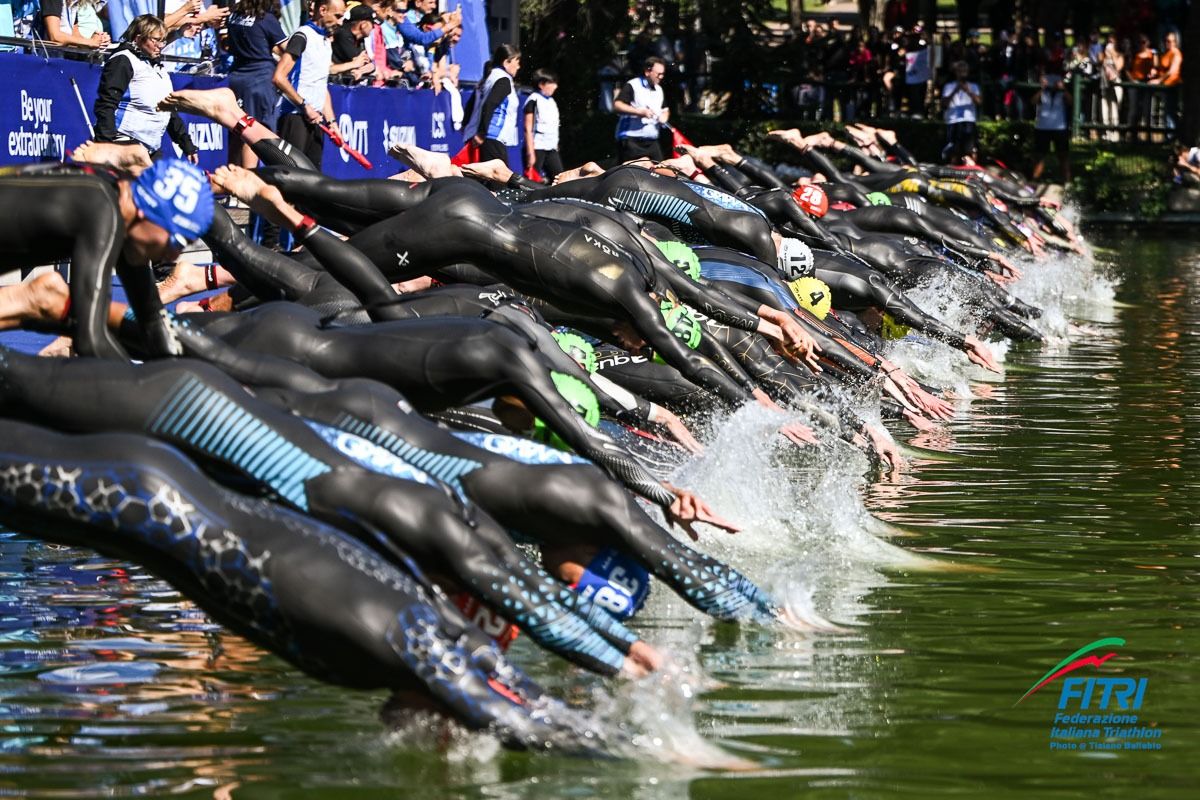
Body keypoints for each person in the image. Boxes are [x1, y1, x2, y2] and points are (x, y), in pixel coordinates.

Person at [0, 420, 604, 754]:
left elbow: (501, 682)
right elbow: (502, 711)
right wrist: (632, 747)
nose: (436, 734)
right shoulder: (410, 642)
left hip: (151, 497)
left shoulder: (420, 617)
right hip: (145, 504)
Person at [0, 157, 213, 359]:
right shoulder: (104, 212)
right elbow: (90, 340)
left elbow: (153, 320)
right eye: (177, 242)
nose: (174, 256)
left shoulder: (117, 199)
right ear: (147, 213)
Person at [92, 15, 199, 161]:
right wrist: (106, 144)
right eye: (156, 40)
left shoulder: (157, 67)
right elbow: (106, 103)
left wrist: (186, 144)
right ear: (138, 38)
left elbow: (169, 110)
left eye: (163, 41)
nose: (161, 46)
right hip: (123, 142)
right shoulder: (123, 59)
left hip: (151, 148)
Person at [273, 0, 351, 169]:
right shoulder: (302, 36)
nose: (340, 23)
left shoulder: (325, 41)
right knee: (292, 176)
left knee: (313, 178)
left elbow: (322, 86)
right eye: (337, 16)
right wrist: (304, 105)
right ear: (322, 10)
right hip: (295, 117)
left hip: (316, 121)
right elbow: (279, 77)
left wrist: (332, 122)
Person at [225, 0, 287, 169]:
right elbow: (288, 49)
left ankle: (230, 178)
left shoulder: (233, 16)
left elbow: (226, 43)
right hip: (259, 78)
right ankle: (248, 178)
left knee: (236, 130)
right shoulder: (266, 19)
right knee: (253, 132)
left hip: (236, 77)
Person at [462, 44, 521, 163]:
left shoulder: (488, 78)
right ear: (506, 62)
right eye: (517, 62)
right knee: (499, 174)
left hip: (480, 136)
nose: (519, 66)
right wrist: (482, 133)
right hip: (491, 137)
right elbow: (489, 104)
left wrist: (466, 125)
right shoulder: (504, 80)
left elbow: (471, 105)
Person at [614, 56, 668, 162]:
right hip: (631, 140)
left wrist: (664, 117)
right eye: (658, 74)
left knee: (661, 168)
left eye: (663, 74)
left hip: (651, 140)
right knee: (631, 170)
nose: (661, 77)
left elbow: (665, 109)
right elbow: (617, 105)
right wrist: (639, 112)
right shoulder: (633, 85)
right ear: (647, 72)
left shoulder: (659, 89)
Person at [523, 69, 562, 183]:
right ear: (541, 84)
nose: (555, 86)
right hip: (537, 147)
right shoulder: (533, 100)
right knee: (532, 181)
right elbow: (528, 128)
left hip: (551, 147)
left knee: (559, 177)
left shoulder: (551, 101)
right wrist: (530, 152)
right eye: (552, 83)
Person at [1032, 72, 1071, 184]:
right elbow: (1033, 101)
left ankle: (1067, 181)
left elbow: (1070, 101)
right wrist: (1042, 88)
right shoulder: (1042, 93)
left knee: (1063, 156)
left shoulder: (1062, 93)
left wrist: (1063, 89)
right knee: (1039, 156)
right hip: (1042, 127)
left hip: (1059, 128)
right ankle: (1035, 181)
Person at [940, 61, 980, 162]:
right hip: (953, 120)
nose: (962, 73)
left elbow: (979, 102)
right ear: (956, 72)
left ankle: (971, 168)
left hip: (968, 120)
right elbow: (944, 104)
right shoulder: (949, 86)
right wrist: (955, 91)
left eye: (964, 71)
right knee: (953, 149)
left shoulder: (973, 86)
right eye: (960, 71)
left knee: (970, 149)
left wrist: (968, 91)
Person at [331, 3, 379, 86]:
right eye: (372, 24)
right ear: (363, 24)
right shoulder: (342, 34)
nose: (373, 28)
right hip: (334, 83)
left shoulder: (360, 39)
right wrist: (360, 66)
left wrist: (361, 71)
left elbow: (371, 65)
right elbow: (359, 62)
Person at [37, 0, 110, 48]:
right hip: (48, 59)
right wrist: (90, 42)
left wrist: (98, 40)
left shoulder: (74, 3)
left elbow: (75, 35)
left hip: (66, 57)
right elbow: (55, 36)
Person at [1126, 34, 1157, 142]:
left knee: (1147, 110)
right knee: (1134, 110)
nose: (1141, 45)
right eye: (1139, 42)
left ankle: (1148, 137)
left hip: (1146, 83)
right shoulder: (1134, 54)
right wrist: (1132, 80)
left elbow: (1155, 67)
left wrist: (1153, 72)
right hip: (1135, 84)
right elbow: (1127, 69)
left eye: (1144, 42)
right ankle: (1132, 135)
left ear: (1148, 43)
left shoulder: (1152, 54)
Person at [1150, 32, 1182, 130]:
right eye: (1167, 41)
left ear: (1175, 42)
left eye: (1171, 41)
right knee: (1167, 113)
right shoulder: (1166, 53)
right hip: (1165, 87)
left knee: (1170, 114)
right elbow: (1160, 68)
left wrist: (1159, 80)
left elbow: (1172, 71)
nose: (1168, 43)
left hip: (1172, 86)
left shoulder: (1176, 53)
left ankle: (1171, 136)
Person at [1098, 35, 1125, 142]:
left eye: (1112, 42)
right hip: (1104, 84)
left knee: (1114, 108)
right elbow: (1098, 62)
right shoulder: (1103, 55)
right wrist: (1105, 56)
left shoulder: (1119, 55)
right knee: (1104, 107)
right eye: (1109, 42)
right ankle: (1106, 133)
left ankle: (1115, 135)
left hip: (1115, 84)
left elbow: (1118, 67)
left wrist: (1113, 54)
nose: (1110, 44)